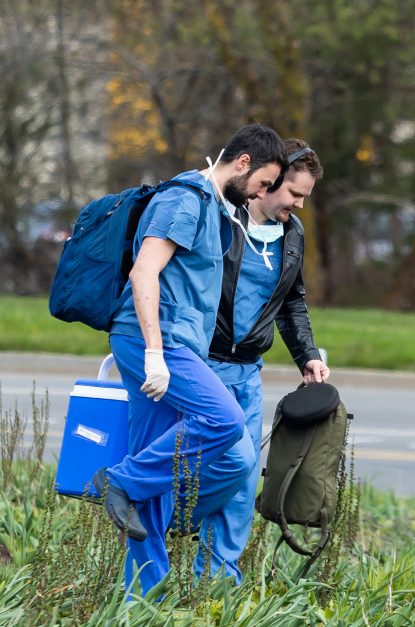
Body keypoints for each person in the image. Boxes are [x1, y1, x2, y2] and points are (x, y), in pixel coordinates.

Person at [97, 123, 288, 596]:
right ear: (242, 163)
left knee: (155, 472)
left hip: (172, 344)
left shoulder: (217, 208)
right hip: (157, 343)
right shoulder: (184, 199)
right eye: (263, 183)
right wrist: (156, 354)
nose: (264, 193)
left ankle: (141, 596)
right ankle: (119, 480)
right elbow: (145, 273)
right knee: (223, 422)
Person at [189, 139, 330, 583]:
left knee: (243, 479)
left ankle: (214, 584)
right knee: (209, 465)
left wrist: (306, 355)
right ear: (267, 182)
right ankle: (168, 526)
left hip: (247, 371)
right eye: (293, 193)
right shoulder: (221, 219)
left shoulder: (292, 234)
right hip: (202, 366)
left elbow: (292, 302)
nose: (299, 204)